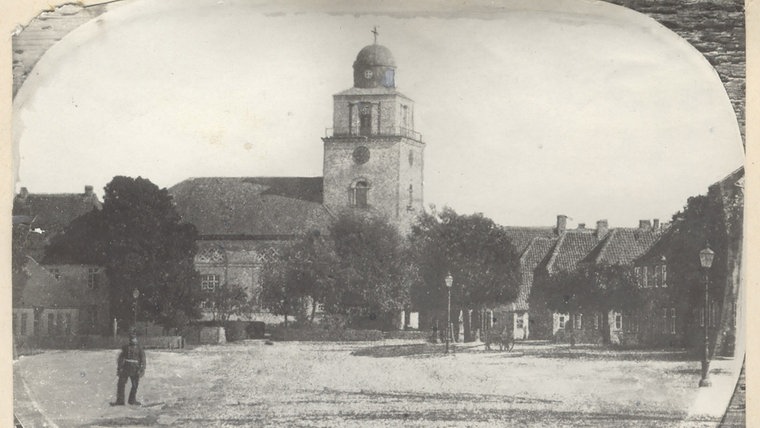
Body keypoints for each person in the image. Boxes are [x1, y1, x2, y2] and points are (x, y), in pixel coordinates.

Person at [114, 331, 146, 406]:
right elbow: (121, 358)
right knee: (121, 384)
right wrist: (119, 368)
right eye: (131, 339)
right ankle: (120, 401)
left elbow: (143, 360)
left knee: (135, 385)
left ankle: (132, 400)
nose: (133, 340)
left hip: (135, 369)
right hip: (126, 368)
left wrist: (142, 369)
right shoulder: (125, 348)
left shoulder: (139, 349)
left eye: (134, 338)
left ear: (136, 339)